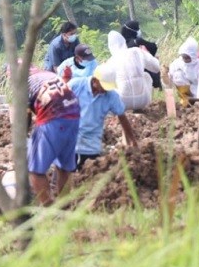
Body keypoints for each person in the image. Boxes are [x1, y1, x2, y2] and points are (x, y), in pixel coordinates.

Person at [25, 68, 81, 206]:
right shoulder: (48, 75)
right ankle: (65, 205)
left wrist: (24, 134)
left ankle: (49, 208)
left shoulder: (23, 84)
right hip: (74, 114)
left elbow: (26, 115)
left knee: (34, 170)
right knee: (64, 167)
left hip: (52, 117)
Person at [68, 63, 137, 170]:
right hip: (69, 142)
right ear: (95, 80)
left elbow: (122, 117)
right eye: (103, 86)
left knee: (88, 177)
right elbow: (59, 105)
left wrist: (132, 140)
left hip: (91, 146)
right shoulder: (75, 85)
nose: (105, 90)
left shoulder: (111, 96)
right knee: (65, 177)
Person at [108, 31, 161, 110]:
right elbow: (156, 67)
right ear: (124, 42)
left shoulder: (110, 61)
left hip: (123, 103)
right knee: (146, 75)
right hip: (144, 100)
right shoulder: (136, 51)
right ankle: (140, 108)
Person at [168, 37, 199, 106]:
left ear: (192, 55)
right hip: (187, 88)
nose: (185, 59)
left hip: (198, 88)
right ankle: (186, 99)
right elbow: (169, 78)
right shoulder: (178, 63)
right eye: (183, 57)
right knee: (177, 75)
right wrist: (165, 76)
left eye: (187, 57)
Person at [120, 20, 161, 89]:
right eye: (138, 28)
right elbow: (153, 47)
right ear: (133, 30)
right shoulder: (137, 41)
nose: (139, 30)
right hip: (142, 72)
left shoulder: (122, 44)